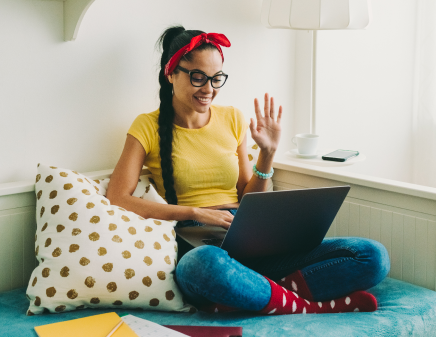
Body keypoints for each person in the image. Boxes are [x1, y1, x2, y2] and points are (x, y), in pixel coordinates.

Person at [106, 26, 390, 315]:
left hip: (249, 239)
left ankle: (258, 294)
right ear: (171, 74)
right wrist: (195, 213)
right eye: (198, 77)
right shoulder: (146, 125)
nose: (209, 89)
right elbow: (118, 197)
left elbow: (248, 196)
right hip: (202, 245)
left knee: (371, 256)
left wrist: (267, 154)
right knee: (199, 267)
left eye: (216, 78)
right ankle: (303, 302)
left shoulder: (232, 118)